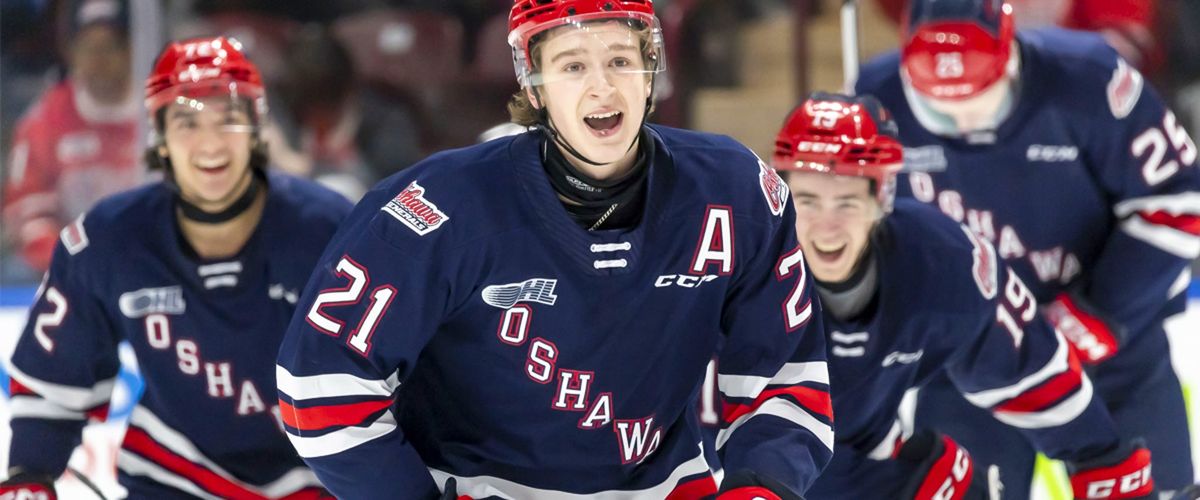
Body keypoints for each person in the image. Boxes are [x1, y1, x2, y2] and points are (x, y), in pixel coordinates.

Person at [274, 0, 832, 498]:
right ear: (534, 88)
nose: (603, 88)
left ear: (650, 73)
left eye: (620, 60)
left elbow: (785, 376)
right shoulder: (438, 210)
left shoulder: (733, 192)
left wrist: (761, 486)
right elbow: (322, 387)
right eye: (572, 66)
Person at [855, 0, 1200, 497]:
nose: (962, 119)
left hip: (1110, 351)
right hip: (967, 359)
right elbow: (855, 232)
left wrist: (1100, 310)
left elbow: (1177, 199)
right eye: (936, 107)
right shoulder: (873, 100)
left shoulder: (1091, 79)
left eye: (980, 99)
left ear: (1010, 58)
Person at [0, 36, 352, 499]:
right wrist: (29, 474)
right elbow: (55, 376)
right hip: (171, 474)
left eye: (228, 120)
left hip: (318, 476)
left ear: (256, 128)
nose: (210, 143)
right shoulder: (107, 241)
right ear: (160, 136)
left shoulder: (332, 231)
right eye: (187, 122)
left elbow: (401, 372)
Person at [775, 91, 1161, 500]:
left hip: (864, 461)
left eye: (846, 203)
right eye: (808, 201)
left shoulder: (943, 261)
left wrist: (1103, 464)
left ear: (882, 196)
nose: (826, 227)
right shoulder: (740, 276)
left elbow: (1031, 371)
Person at [2, 0, 143, 275]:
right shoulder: (45, 118)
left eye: (109, 47)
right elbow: (26, 210)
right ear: (70, 52)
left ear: (130, 50)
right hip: (69, 266)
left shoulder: (160, 110)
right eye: (87, 47)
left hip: (150, 260)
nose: (98, 60)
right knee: (13, 271)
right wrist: (71, 261)